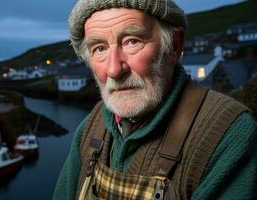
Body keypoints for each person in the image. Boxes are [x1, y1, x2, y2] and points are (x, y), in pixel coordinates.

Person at [53, 0, 257, 199]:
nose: (113, 69)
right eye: (99, 48)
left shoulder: (229, 135)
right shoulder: (91, 126)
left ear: (175, 46)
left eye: (133, 41)